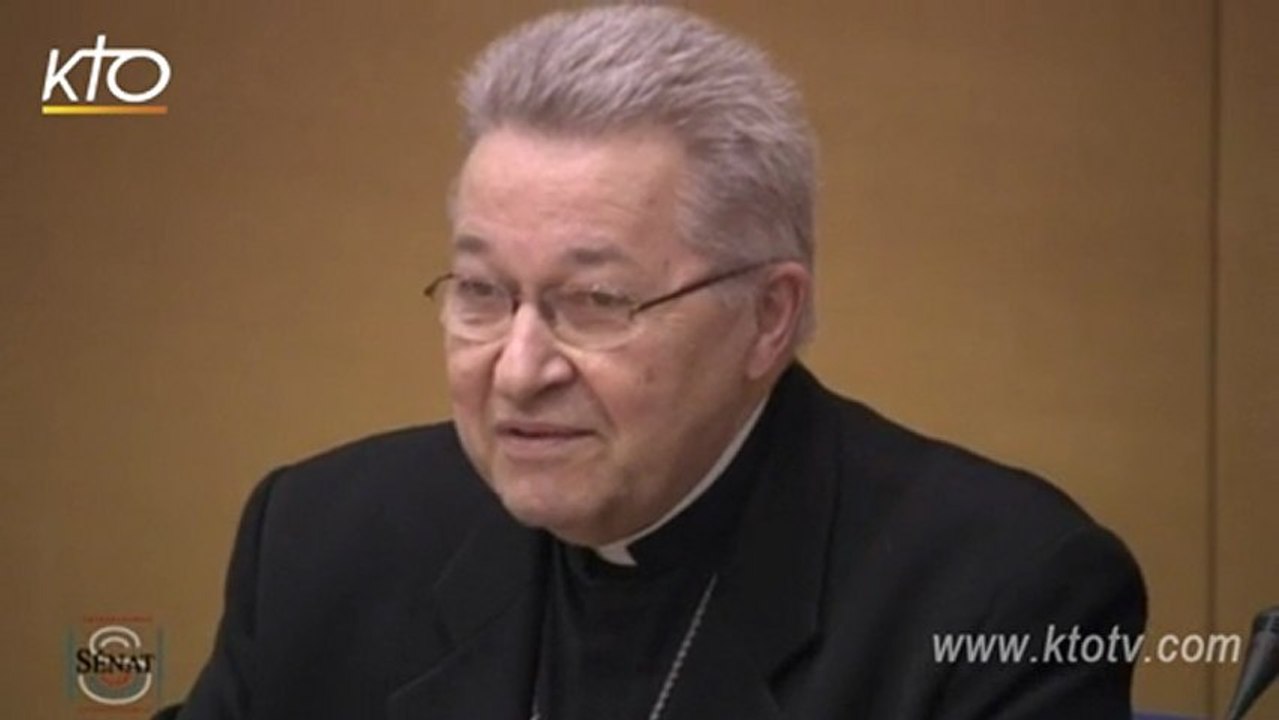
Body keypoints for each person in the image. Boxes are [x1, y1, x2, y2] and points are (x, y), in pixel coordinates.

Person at [169, 5, 1146, 719]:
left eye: (596, 302)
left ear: (768, 318)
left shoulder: (1000, 589)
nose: (517, 371)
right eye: (481, 293)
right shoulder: (319, 540)